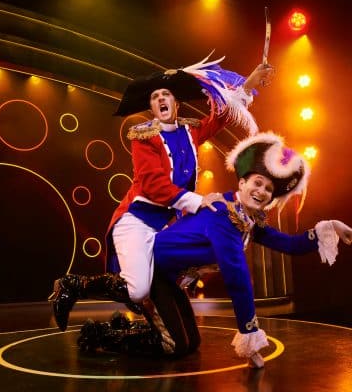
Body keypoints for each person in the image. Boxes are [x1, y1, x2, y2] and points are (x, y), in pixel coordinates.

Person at [77, 131, 352, 367]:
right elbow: (237, 278)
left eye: (269, 189)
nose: (262, 191)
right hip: (153, 272)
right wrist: (250, 337)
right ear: (242, 183)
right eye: (257, 183)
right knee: (174, 345)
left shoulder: (247, 220)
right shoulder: (224, 216)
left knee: (191, 343)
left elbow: (289, 244)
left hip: (170, 279)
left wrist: (330, 227)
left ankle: (124, 326)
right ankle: (100, 335)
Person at [50, 54, 274, 340]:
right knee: (138, 290)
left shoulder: (190, 131)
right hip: (135, 221)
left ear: (176, 103)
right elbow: (154, 185)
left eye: (166, 94)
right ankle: (73, 285)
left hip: (163, 227)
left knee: (163, 280)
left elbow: (221, 116)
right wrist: (198, 201)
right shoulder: (143, 137)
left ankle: (150, 332)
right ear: (152, 107)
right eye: (155, 97)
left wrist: (250, 83)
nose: (161, 99)